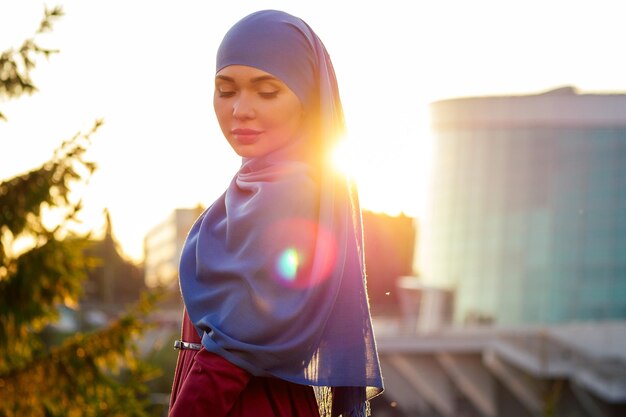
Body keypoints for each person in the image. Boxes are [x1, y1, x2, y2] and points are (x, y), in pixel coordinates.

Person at [169, 10, 383, 417]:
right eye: (225, 90)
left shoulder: (288, 193)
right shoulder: (257, 186)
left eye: (267, 92)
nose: (241, 110)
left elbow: (232, 353)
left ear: (307, 100)